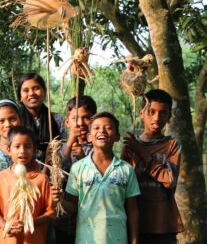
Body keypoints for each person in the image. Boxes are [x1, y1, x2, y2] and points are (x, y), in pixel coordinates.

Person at [62, 112, 140, 244]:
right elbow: (72, 207)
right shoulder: (78, 168)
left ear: (117, 136)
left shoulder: (126, 169)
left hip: (118, 239)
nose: (102, 131)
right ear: (89, 136)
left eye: (109, 128)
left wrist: (134, 241)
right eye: (96, 128)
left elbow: (132, 210)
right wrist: (58, 200)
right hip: (86, 239)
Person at [121, 89, 183, 244]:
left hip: (162, 224)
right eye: (151, 111)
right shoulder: (130, 145)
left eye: (162, 113)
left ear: (169, 117)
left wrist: (142, 152)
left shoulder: (171, 145)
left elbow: (169, 180)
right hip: (135, 222)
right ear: (142, 113)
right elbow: (122, 183)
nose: (156, 118)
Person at [0, 126, 57, 244]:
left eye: (27, 146)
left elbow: (50, 212)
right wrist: (6, 226)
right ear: (9, 150)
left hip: (33, 239)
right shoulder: (1, 177)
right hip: (7, 240)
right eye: (17, 146)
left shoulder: (41, 179)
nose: (22, 151)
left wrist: (29, 223)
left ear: (34, 150)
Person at [53, 95, 97, 244]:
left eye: (86, 118)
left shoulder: (97, 148)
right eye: (75, 118)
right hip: (64, 221)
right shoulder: (58, 148)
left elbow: (95, 177)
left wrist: (83, 157)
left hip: (90, 218)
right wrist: (70, 142)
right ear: (67, 122)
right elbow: (57, 171)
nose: (80, 123)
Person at [18, 72, 64, 163]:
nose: (31, 93)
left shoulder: (56, 119)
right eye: (26, 90)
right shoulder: (17, 120)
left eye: (36, 88)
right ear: (20, 96)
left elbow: (62, 150)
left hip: (52, 170)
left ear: (45, 92)